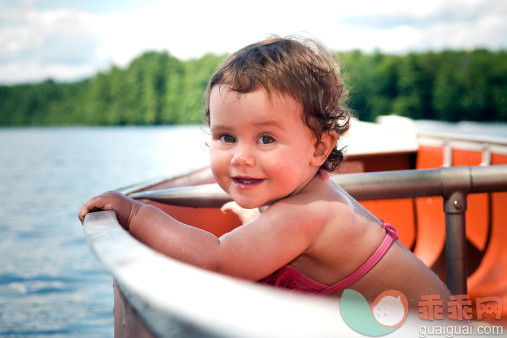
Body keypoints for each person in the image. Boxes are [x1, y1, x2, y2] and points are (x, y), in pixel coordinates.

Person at [79, 36, 450, 307]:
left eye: (266, 139)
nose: (241, 157)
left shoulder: (309, 214)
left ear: (319, 148)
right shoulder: (299, 197)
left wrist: (136, 213)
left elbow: (216, 260)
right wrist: (248, 212)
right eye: (226, 136)